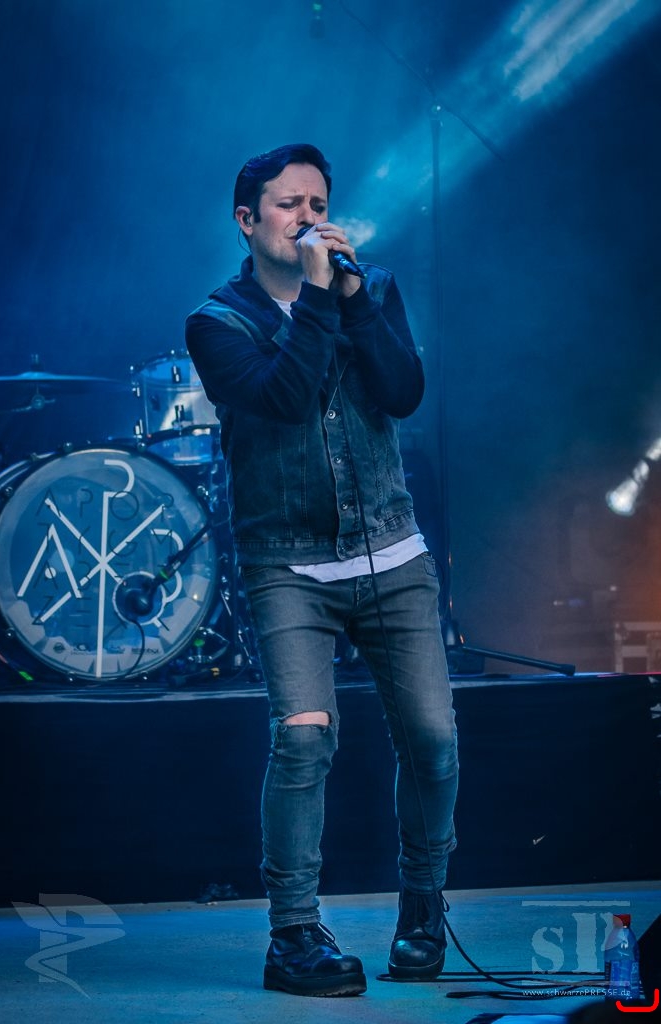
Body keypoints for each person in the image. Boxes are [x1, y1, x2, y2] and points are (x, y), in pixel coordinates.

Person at [185, 143, 458, 997]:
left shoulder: (369, 288)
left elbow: (404, 391)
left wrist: (352, 300)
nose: (307, 219)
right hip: (287, 566)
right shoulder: (215, 323)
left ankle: (423, 907)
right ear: (247, 219)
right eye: (288, 204)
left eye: (318, 204)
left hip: (391, 552)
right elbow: (287, 397)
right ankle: (294, 936)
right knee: (304, 737)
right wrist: (315, 298)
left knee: (434, 741)